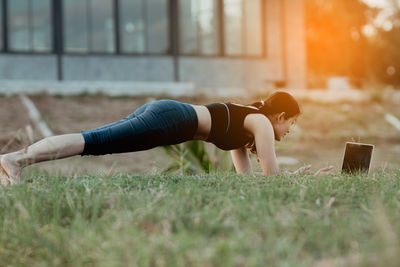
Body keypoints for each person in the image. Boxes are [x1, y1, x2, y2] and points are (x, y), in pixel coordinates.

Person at [0, 90, 333, 185]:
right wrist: (303, 178)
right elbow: (272, 178)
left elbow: (248, 182)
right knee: (93, 141)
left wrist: (285, 176)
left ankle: (15, 162)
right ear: (280, 116)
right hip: (172, 119)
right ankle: (15, 160)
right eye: (292, 124)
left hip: (168, 115)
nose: (289, 132)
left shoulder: (247, 124)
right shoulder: (260, 122)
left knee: (95, 143)